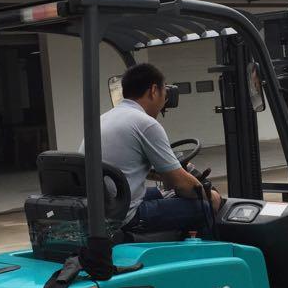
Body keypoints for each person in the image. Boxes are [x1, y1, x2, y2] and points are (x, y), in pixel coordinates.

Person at [92, 62, 222, 240]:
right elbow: (181, 184)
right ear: (154, 91)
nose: (165, 100)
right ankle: (204, 254)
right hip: (126, 215)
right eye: (164, 92)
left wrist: (172, 173)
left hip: (107, 206)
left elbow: (129, 167)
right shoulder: (145, 124)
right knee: (204, 207)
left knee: (161, 193)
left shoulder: (104, 119)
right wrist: (210, 195)